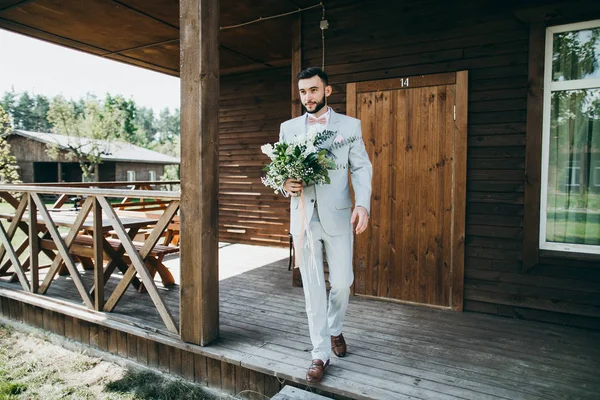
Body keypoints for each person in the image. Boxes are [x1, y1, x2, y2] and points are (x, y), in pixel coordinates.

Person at [279, 67, 372, 383]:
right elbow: (281, 172)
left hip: (339, 214)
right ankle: (320, 353)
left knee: (343, 282)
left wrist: (362, 204)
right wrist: (285, 184)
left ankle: (335, 328)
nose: (308, 97)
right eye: (303, 91)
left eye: (314, 90)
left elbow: (361, 168)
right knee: (313, 290)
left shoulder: (350, 126)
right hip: (303, 216)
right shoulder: (288, 128)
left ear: (327, 91)